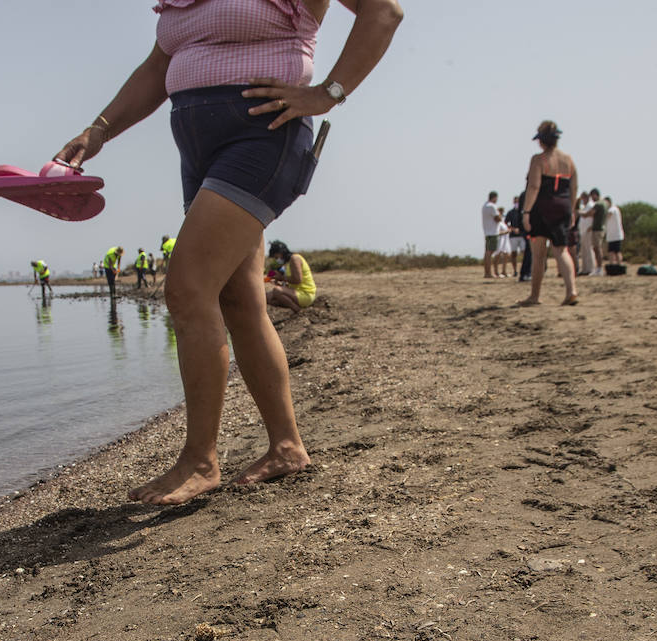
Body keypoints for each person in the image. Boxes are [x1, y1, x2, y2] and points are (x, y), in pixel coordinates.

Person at [53, 0, 403, 505]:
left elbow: (383, 12)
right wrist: (101, 128)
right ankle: (287, 447)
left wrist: (328, 93)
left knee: (188, 287)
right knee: (239, 299)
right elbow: (158, 65)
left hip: (263, 135)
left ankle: (200, 460)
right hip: (199, 147)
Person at [520, 120, 579, 306]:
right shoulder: (568, 160)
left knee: (538, 254)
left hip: (542, 208)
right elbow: (574, 187)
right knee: (562, 250)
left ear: (542, 141)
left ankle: (535, 296)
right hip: (563, 207)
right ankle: (572, 290)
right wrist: (572, 210)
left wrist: (526, 212)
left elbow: (534, 186)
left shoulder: (539, 160)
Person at [264, 240, 316, 312]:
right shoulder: (287, 264)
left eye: (276, 257)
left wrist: (281, 278)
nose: (277, 260)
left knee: (277, 290)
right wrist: (281, 284)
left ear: (281, 253)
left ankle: (297, 310)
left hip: (306, 294)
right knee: (267, 297)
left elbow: (297, 280)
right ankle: (294, 305)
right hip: (296, 292)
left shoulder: (295, 259)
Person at [481, 191, 502, 278]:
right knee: (490, 252)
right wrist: (500, 215)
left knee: (487, 252)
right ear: (494, 197)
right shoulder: (492, 206)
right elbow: (498, 218)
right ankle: (488, 273)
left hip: (487, 231)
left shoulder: (484, 206)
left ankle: (487, 272)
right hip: (493, 232)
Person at [587, 188, 606, 276]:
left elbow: (590, 213)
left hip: (598, 229)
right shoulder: (604, 203)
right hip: (599, 228)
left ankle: (599, 268)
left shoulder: (598, 204)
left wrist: (579, 213)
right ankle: (598, 268)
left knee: (597, 249)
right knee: (597, 248)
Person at [503, 196, 524, 278]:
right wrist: (512, 229)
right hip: (513, 236)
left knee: (524, 253)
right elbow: (505, 223)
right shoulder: (510, 212)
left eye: (518, 202)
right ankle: (515, 270)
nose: (517, 203)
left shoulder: (523, 212)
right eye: (515, 202)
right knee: (514, 254)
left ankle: (524, 269)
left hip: (522, 235)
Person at [575, 191, 595, 276]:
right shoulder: (584, 206)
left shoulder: (591, 205)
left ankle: (591, 268)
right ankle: (585, 269)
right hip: (583, 231)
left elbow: (591, 216)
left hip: (588, 230)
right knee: (584, 251)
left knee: (589, 250)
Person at [603, 196, 624, 266]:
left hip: (616, 235)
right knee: (611, 251)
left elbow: (609, 215)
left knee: (617, 251)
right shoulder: (613, 209)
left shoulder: (613, 209)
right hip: (611, 235)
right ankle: (612, 265)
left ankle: (619, 265)